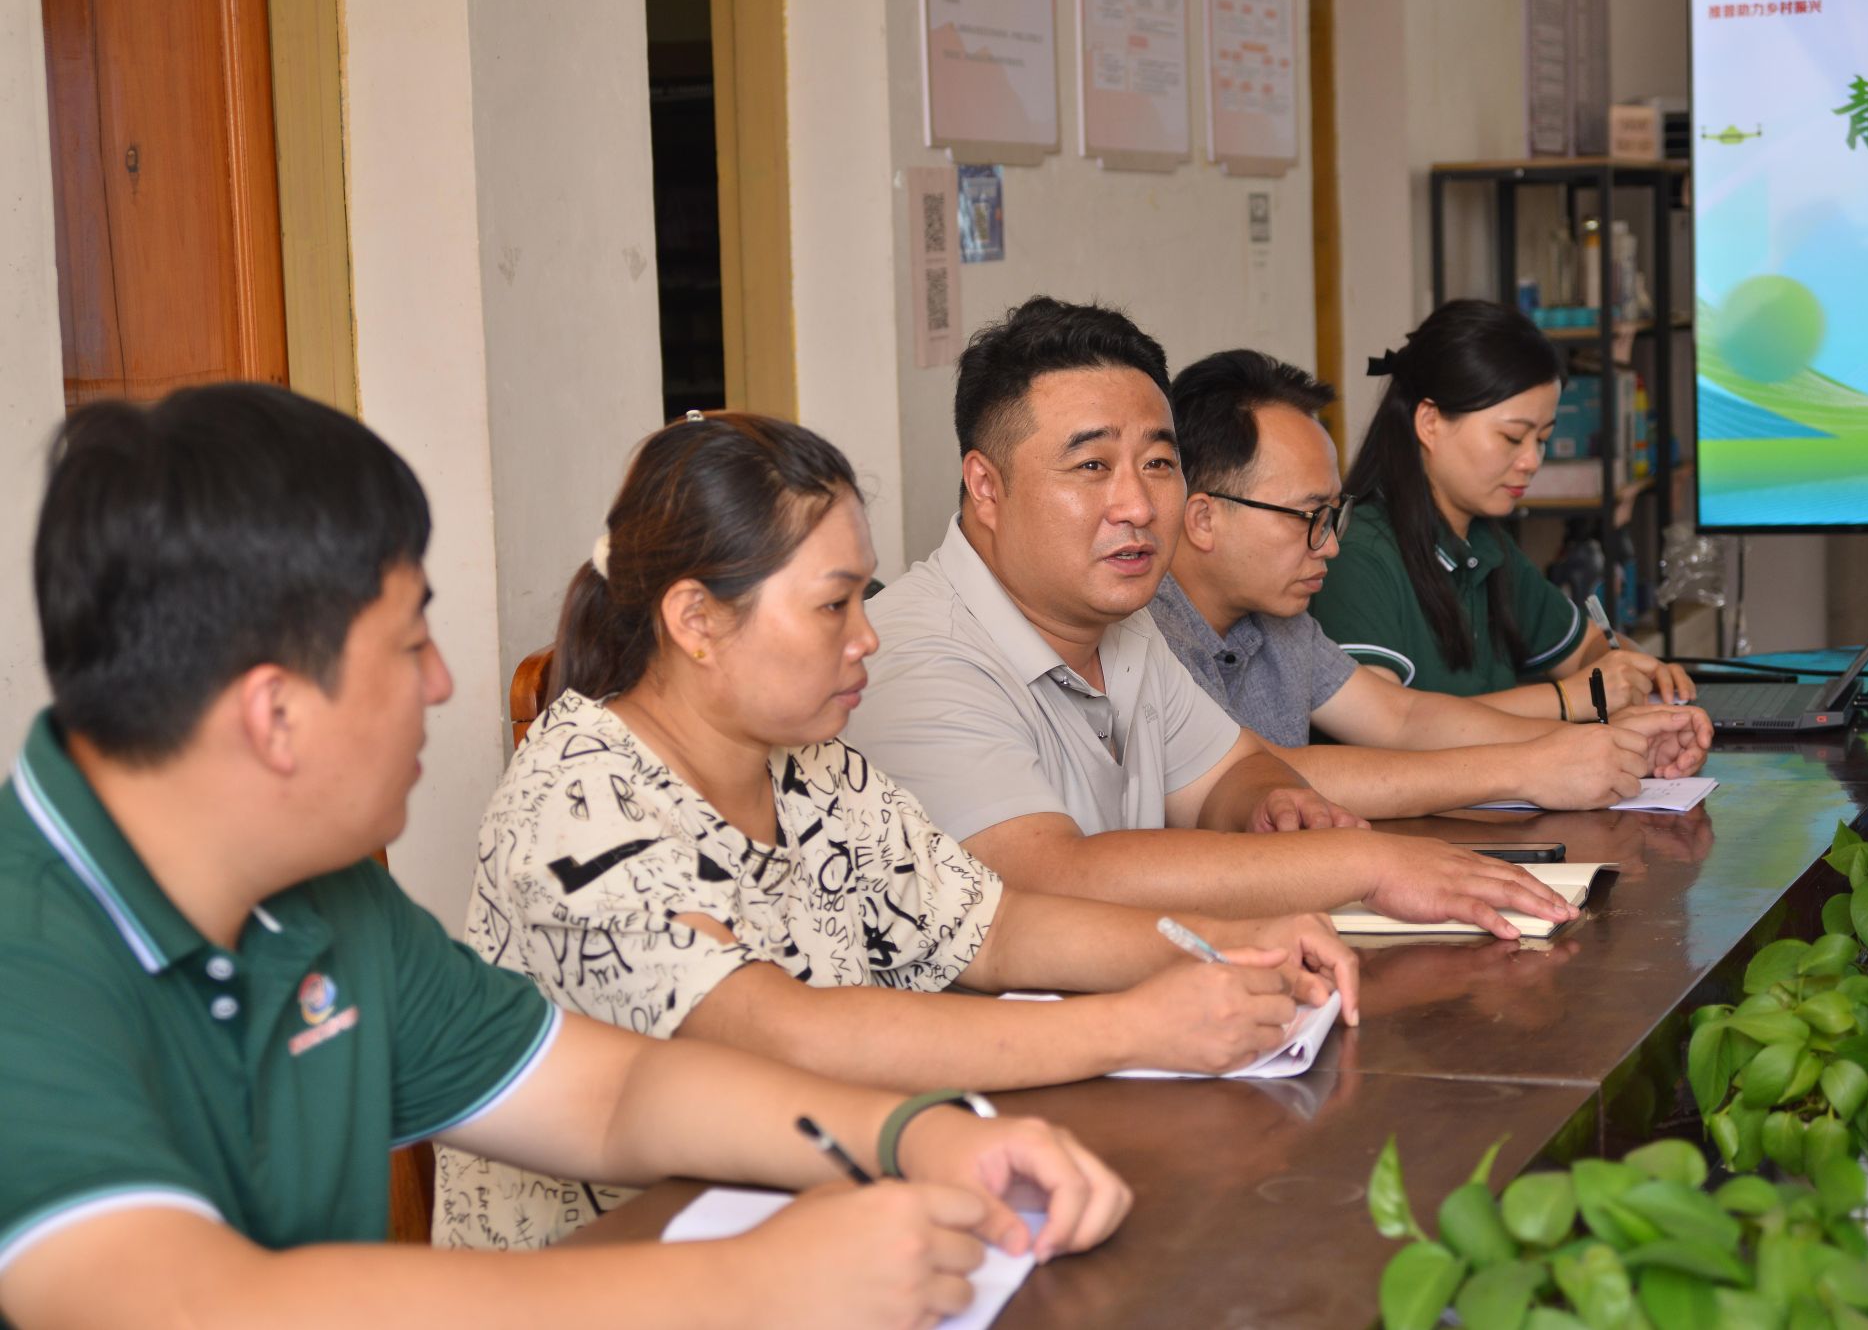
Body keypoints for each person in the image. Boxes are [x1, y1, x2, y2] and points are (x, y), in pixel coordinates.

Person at [0, 384, 1127, 1330]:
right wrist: (749, 1285)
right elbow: (193, 1302)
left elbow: (610, 1091)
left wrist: (912, 1134)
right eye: (408, 643)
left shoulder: (319, 895)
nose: (443, 682)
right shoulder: (26, 959)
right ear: (274, 713)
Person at [441, 412, 1356, 1249]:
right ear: (696, 620)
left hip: (817, 1217)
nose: (867, 637)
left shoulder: (808, 764)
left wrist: (1229, 941)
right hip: (626, 1269)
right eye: (833, 605)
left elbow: (994, 928)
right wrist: (1133, 1027)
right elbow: (780, 1034)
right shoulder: (578, 804)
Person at [843, 296, 1578, 932]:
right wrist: (1363, 863)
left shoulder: (1120, 626)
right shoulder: (915, 655)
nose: (1138, 506)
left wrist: (1271, 805)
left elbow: (1230, 773)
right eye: (1092, 466)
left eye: (1158, 464)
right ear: (986, 487)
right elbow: (1047, 878)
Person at [1158, 347, 1713, 815]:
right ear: (1203, 518)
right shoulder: (1149, 635)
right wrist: (1525, 767)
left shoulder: (1281, 623)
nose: (1329, 545)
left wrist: (1611, 744)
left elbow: (1402, 717)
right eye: (1309, 517)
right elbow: (1254, 774)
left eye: (1333, 516)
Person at [1310, 299, 1698, 719]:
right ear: (1430, 423)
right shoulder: (1357, 554)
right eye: (1513, 438)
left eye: (1542, 439)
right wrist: (1570, 698)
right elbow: (1388, 725)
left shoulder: (1483, 546)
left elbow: (1588, 646)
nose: (1532, 461)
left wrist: (1632, 670)